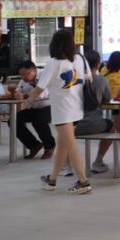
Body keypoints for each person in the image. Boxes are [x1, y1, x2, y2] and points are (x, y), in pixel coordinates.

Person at [22, 29, 91, 194]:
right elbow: (89, 79)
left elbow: (40, 88)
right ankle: (52, 180)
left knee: (71, 145)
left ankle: (83, 182)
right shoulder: (81, 59)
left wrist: (28, 101)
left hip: (62, 110)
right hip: (77, 108)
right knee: (63, 145)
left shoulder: (53, 64)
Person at [72, 49, 114, 175]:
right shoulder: (101, 80)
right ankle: (98, 162)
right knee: (112, 127)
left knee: (65, 135)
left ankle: (67, 166)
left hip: (73, 126)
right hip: (95, 124)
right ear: (98, 64)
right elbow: (108, 99)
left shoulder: (73, 79)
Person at [15, 60, 56, 159]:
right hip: (33, 107)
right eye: (21, 75)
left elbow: (41, 94)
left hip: (49, 105)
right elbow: (18, 91)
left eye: (26, 74)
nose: (24, 77)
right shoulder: (24, 80)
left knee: (39, 121)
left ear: (34, 70)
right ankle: (34, 145)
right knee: (13, 121)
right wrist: (17, 94)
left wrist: (24, 95)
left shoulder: (44, 75)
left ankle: (49, 146)